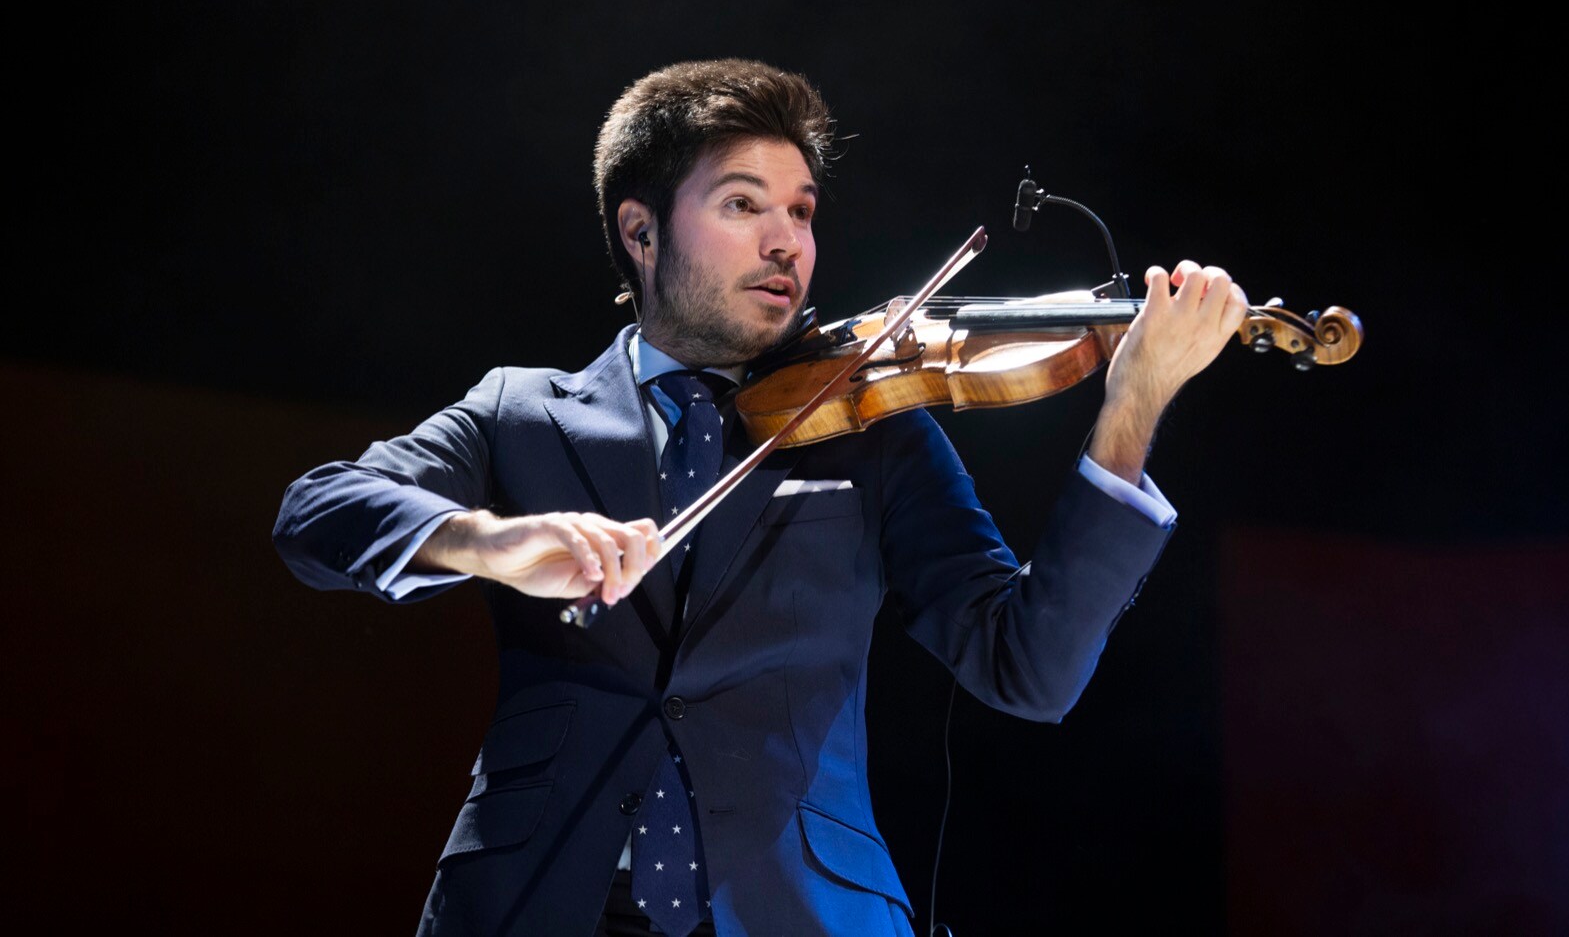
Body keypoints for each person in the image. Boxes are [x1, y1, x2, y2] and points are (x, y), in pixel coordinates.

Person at [272, 58, 1248, 937]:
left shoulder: (876, 425)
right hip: (535, 902)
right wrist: (488, 540)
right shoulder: (522, 412)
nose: (787, 241)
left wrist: (1132, 408)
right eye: (744, 205)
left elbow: (1025, 667)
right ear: (640, 230)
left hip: (803, 913)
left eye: (802, 212)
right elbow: (317, 510)